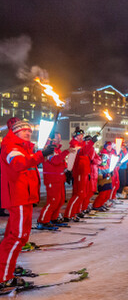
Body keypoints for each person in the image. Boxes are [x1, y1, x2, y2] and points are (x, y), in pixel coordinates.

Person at [0, 117, 54, 289]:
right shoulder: (11, 147)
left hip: (24, 197)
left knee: (14, 236)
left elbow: (29, 166)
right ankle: (3, 277)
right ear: (15, 132)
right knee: (18, 237)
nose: (28, 133)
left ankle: (6, 269)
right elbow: (19, 164)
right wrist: (40, 155)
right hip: (19, 197)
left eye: (30, 131)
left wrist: (41, 153)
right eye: (24, 130)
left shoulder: (22, 148)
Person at [37, 133, 74, 229]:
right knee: (53, 201)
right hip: (52, 179)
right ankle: (43, 220)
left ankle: (53, 218)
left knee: (60, 200)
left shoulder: (57, 149)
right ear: (52, 139)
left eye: (60, 139)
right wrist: (66, 152)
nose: (59, 141)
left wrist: (66, 169)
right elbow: (55, 161)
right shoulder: (48, 149)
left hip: (59, 179)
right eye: (58, 138)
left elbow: (61, 162)